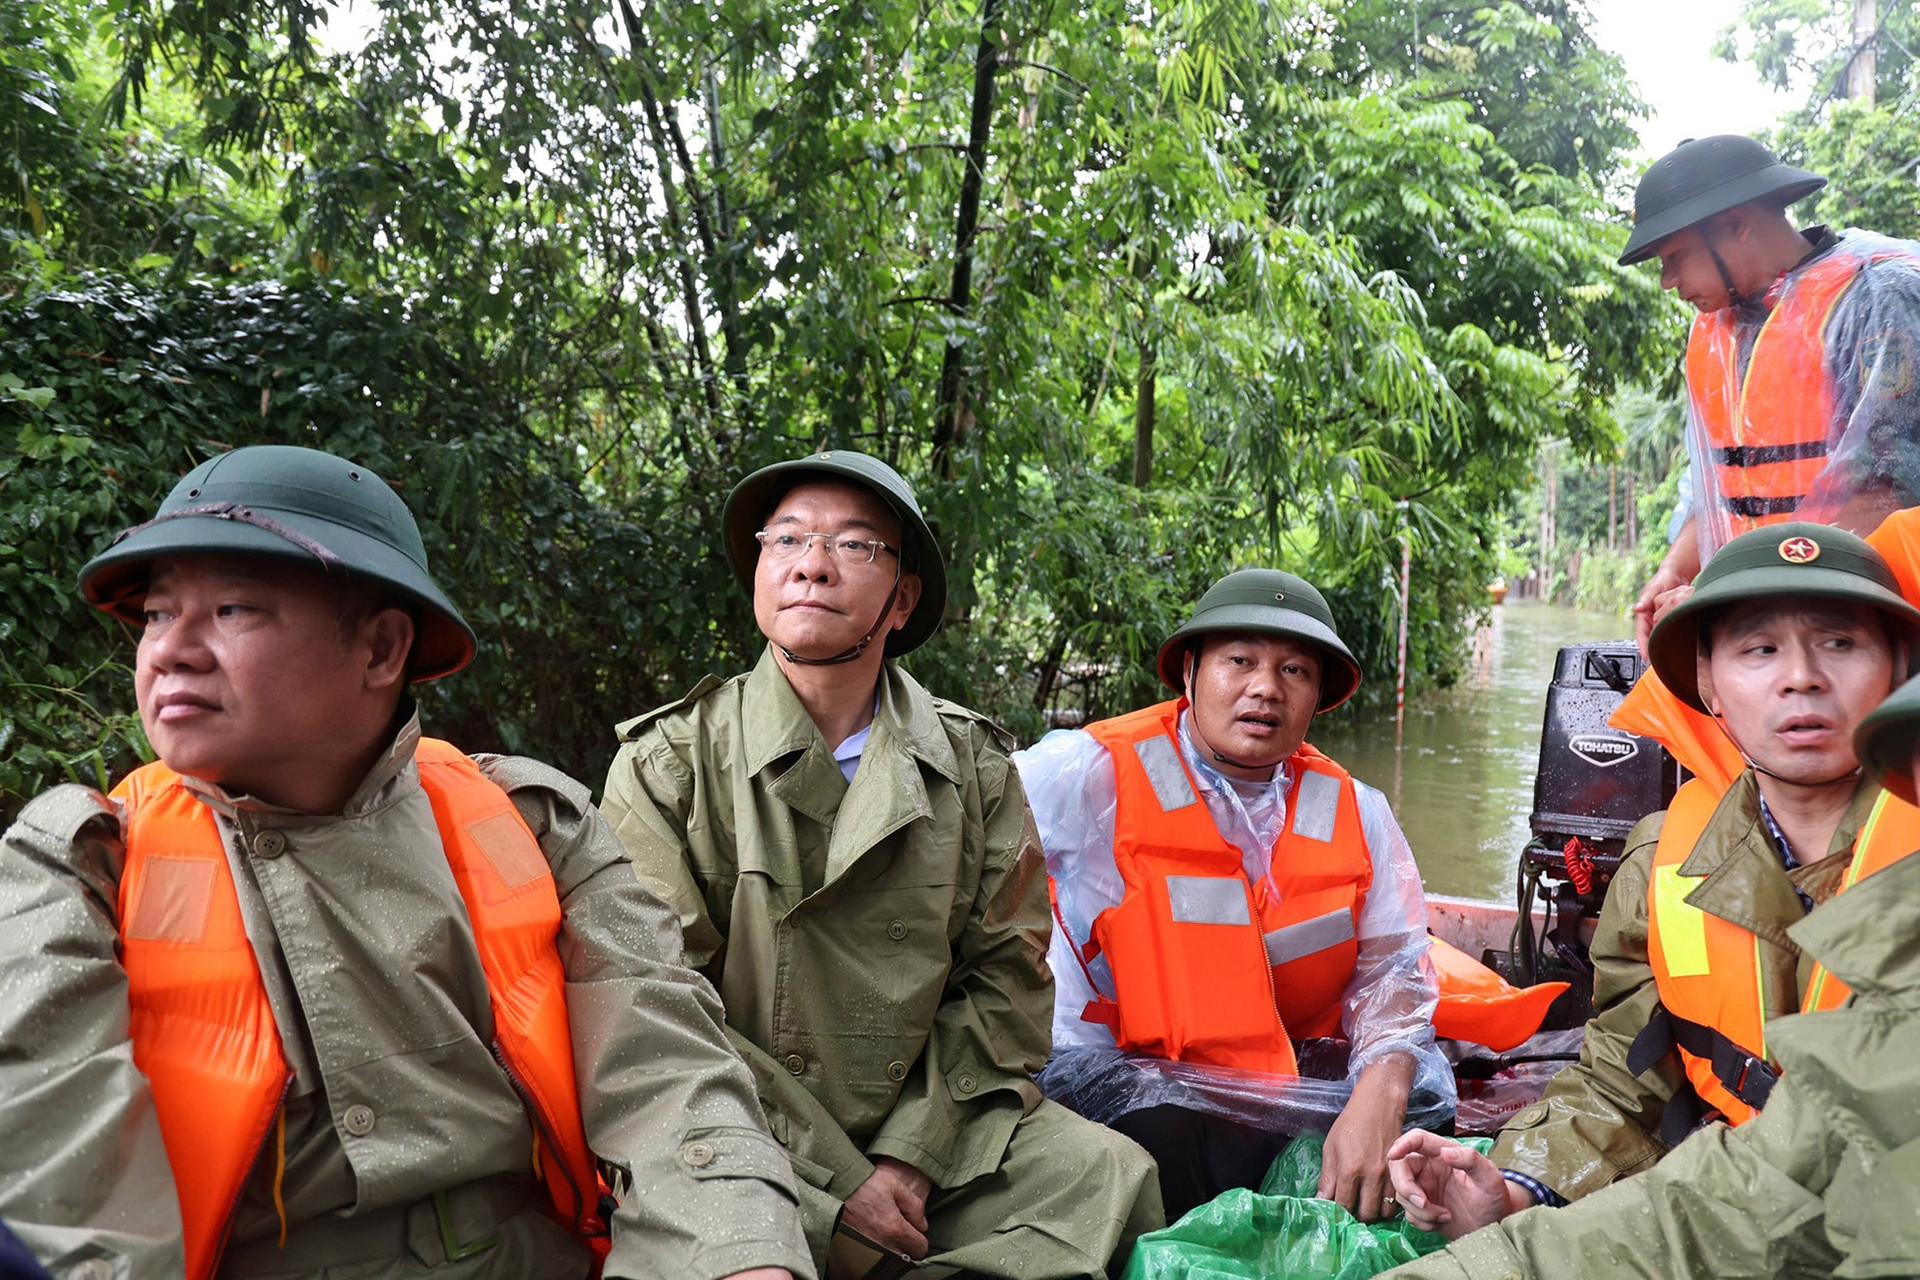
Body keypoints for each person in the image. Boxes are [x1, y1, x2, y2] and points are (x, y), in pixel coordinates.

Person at [0, 445, 811, 1280]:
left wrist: (738, 1256)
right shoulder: (80, 864)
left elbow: (668, 1068)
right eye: (159, 616)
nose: (171, 651)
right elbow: (70, 1203)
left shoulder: (529, 824)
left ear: (383, 649)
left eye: (234, 609)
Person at [599, 450, 1162, 1280]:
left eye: (853, 546)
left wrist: (909, 1157)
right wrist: (842, 1184)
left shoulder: (972, 766)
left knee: (1105, 1175)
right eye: (785, 539)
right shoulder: (670, 763)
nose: (811, 565)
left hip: (927, 1125)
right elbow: (655, 1011)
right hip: (738, 1122)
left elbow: (1007, 982)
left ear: (901, 600)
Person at [1384, 520, 1920, 1238]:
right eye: (1760, 649)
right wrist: (1515, 1190)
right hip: (1737, 1201)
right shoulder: (1660, 858)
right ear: (1709, 687)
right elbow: (1622, 1075)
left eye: (1841, 643)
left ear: (1898, 669)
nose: (1801, 676)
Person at [1015, 568, 1450, 1223]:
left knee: (1419, 1106)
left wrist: (1380, 1092)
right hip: (1118, 1074)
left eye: (1295, 670)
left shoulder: (1358, 810)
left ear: (1318, 695)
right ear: (1190, 672)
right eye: (1239, 661)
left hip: (1271, 1073)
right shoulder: (1088, 773)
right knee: (1166, 1133)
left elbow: (1394, 977)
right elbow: (956, 846)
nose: (1265, 689)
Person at [1624, 134, 1920, 654]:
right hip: (1764, 608)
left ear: (1737, 225)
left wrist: (1730, 589)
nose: (1668, 281)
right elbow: (1718, 491)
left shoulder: (1878, 295)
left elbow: (1883, 489)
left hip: (1875, 611)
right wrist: (1674, 571)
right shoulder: (1716, 334)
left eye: (1674, 256)